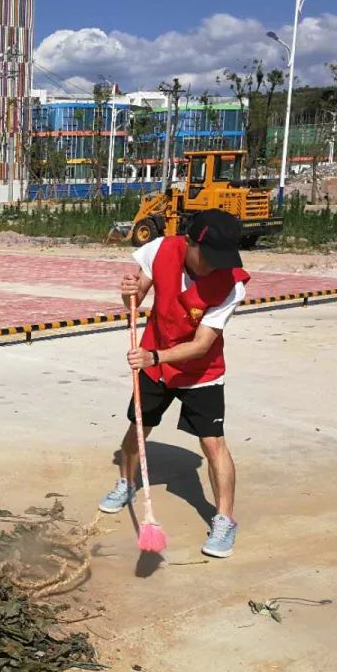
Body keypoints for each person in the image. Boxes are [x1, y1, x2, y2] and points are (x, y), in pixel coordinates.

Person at [99, 209, 250, 558]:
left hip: (201, 370)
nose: (213, 267)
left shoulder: (232, 284)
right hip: (154, 356)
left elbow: (202, 344)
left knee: (213, 443)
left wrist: (155, 357)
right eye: (208, 258)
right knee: (139, 426)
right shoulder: (160, 250)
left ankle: (225, 519)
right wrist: (128, 292)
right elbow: (135, 300)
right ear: (190, 243)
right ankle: (126, 483)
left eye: (221, 259)